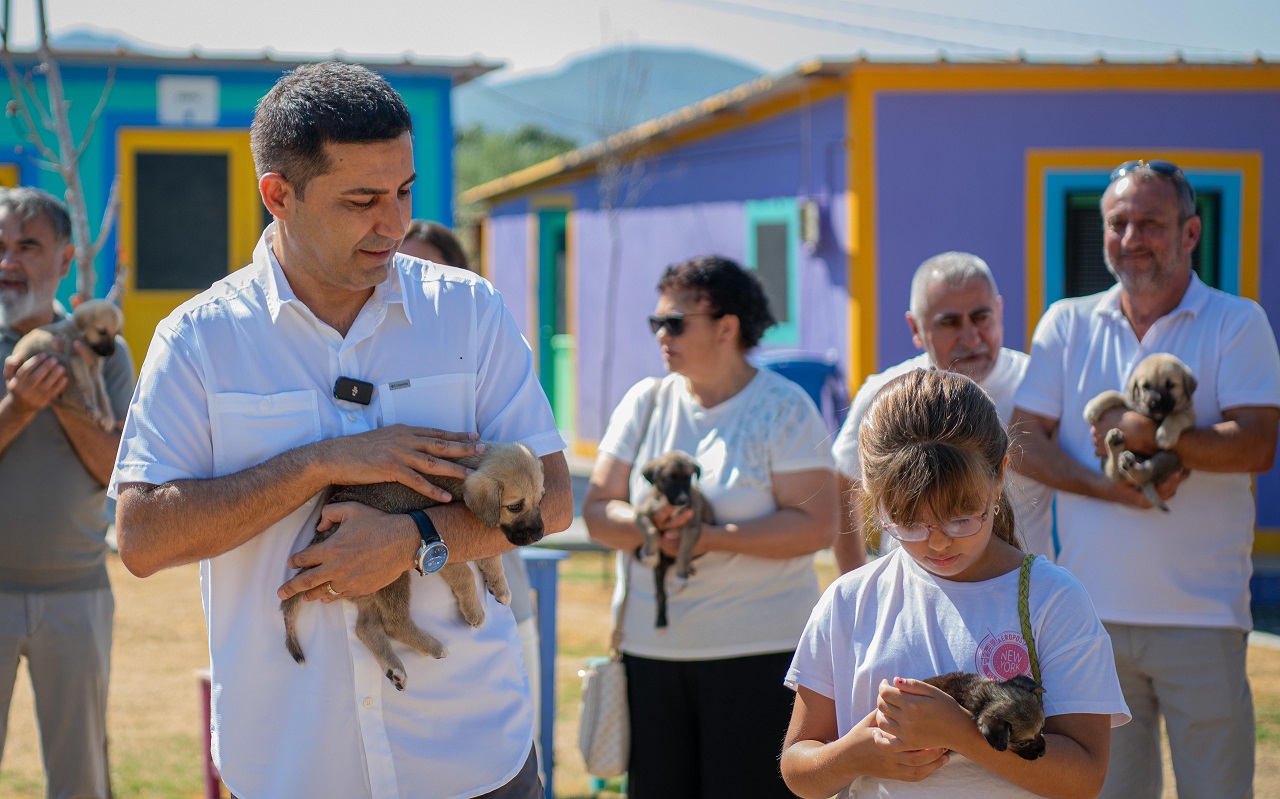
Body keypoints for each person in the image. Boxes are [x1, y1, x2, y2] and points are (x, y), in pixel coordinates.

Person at [110, 62, 573, 799]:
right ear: (278, 195)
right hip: (292, 764)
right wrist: (320, 462)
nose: (393, 223)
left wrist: (416, 540)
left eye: (404, 192)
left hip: (471, 755)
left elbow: (553, 498)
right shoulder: (198, 340)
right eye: (362, 200)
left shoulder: (469, 312)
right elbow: (141, 539)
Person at [1010, 159, 1280, 798]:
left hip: (1203, 617)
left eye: (1150, 223)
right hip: (1087, 619)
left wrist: (1148, 434)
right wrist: (1109, 488)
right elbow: (1021, 442)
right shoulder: (1066, 322)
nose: (1131, 238)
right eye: (1117, 223)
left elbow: (1259, 443)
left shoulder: (1237, 321)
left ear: (1191, 233)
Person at [782, 368, 1129, 799]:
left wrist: (964, 733)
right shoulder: (849, 601)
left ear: (999, 478)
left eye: (961, 517)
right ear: (873, 494)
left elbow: (1085, 777)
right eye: (909, 522)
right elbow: (798, 767)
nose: (938, 541)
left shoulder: (1052, 599)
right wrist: (855, 756)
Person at [582, 254, 838, 799]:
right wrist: (650, 529)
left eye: (675, 322)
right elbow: (598, 510)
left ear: (727, 328)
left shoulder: (784, 407)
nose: (662, 335)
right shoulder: (644, 402)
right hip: (652, 656)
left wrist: (710, 537)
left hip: (759, 656)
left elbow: (817, 526)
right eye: (656, 322)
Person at [397, 218, 547, 783]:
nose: (407, 277)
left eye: (426, 268)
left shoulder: (485, 348)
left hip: (501, 597)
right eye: (400, 264)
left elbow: (552, 498)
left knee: (515, 745)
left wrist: (411, 538)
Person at [0, 187, 134, 798]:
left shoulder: (104, 347)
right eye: (0, 247)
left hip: (78, 592)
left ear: (66, 257)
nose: (9, 262)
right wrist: (18, 407)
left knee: (81, 778)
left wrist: (65, 395)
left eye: (28, 246)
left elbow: (119, 473)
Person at [830, 252, 1054, 574]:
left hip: (1019, 594)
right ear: (915, 327)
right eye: (949, 323)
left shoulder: (1038, 387)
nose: (971, 338)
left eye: (981, 317)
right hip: (910, 595)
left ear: (1000, 310)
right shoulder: (888, 395)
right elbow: (842, 487)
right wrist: (857, 585)